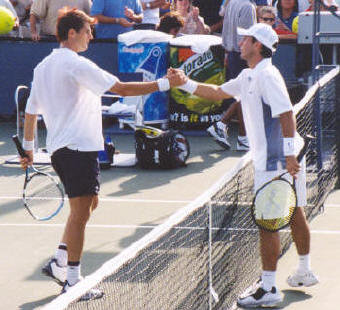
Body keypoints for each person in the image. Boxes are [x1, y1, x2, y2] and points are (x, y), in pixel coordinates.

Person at [20, 7, 181, 300]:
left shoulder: (43, 66)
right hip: (77, 148)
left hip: (64, 149)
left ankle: (59, 261)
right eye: (87, 31)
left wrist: (29, 149)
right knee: (80, 214)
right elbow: (120, 88)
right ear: (72, 33)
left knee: (89, 204)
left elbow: (31, 112)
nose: (91, 36)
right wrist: (165, 83)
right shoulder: (76, 64)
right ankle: (73, 280)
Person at [168, 23, 318, 308]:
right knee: (295, 212)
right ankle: (304, 270)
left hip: (276, 163)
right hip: (284, 160)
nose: (240, 41)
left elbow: (287, 115)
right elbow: (216, 92)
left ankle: (270, 287)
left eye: (246, 38)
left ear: (257, 45)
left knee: (268, 225)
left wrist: (287, 156)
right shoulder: (249, 74)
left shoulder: (267, 76)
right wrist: (184, 82)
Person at [206, 0, 256, 151]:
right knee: (244, 95)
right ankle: (232, 130)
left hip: (233, 55)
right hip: (241, 56)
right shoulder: (247, 6)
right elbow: (245, 38)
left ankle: (237, 134)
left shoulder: (232, 3)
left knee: (243, 95)